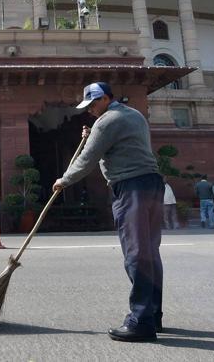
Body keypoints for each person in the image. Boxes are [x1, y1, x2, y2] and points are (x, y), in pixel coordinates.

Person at [52, 82, 163, 342]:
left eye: (92, 104)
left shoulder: (107, 121)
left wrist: (64, 180)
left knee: (136, 254)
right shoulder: (133, 115)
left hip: (131, 187)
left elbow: (88, 158)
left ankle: (140, 321)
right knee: (149, 252)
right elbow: (121, 143)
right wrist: (95, 133)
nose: (90, 110)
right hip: (152, 183)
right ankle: (154, 315)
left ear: (104, 99)